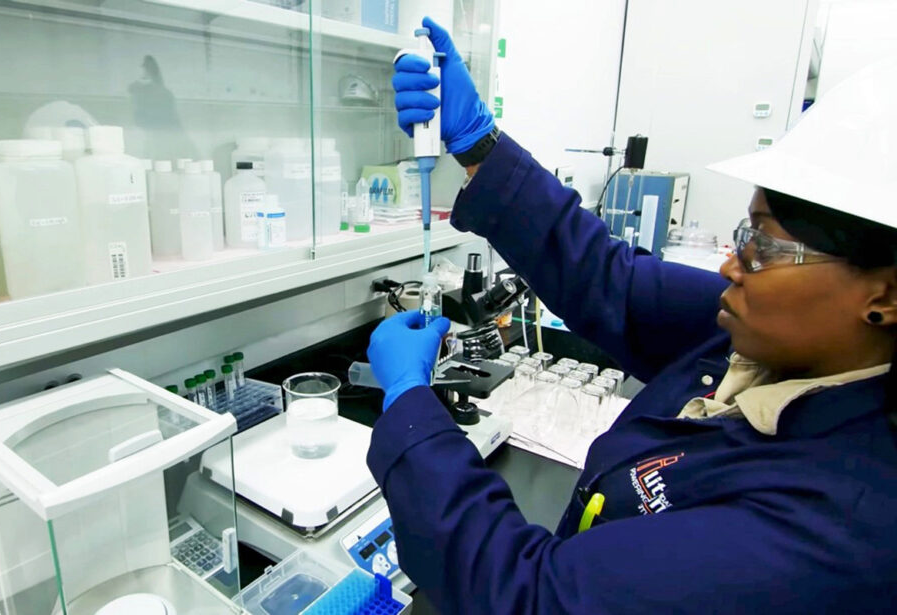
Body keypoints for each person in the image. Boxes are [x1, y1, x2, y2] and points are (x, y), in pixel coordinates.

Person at [365, 18, 897, 614]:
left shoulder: (836, 528)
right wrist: (478, 146)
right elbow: (610, 281)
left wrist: (411, 407)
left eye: (764, 247)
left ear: (885, 296)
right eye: (743, 235)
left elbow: (530, 598)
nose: (731, 265)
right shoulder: (764, 340)